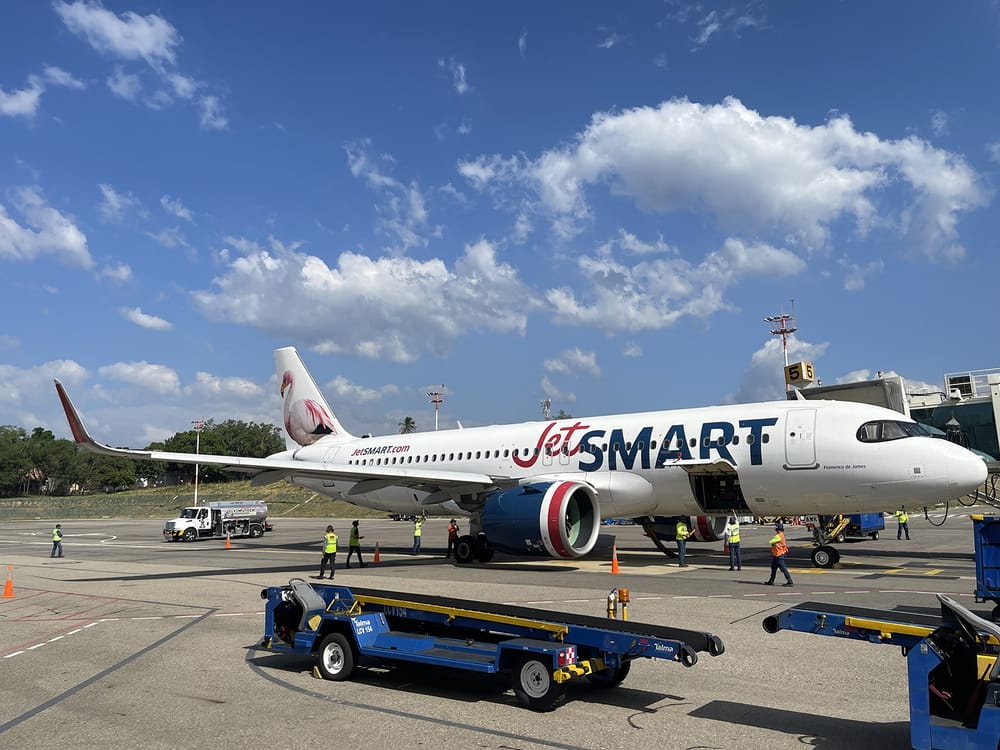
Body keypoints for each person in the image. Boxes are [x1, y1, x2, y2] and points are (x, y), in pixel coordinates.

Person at [764, 521, 793, 586]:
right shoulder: (782, 535)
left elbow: (770, 541)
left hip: (779, 555)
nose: (775, 528)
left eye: (776, 527)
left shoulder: (778, 536)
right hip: (776, 555)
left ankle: (790, 581)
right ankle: (771, 581)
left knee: (783, 568)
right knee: (773, 568)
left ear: (778, 529)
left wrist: (773, 543)